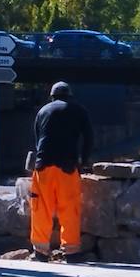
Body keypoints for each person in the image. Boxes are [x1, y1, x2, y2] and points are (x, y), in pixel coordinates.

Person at [30, 81, 94, 263]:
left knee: (41, 208)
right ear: (70, 96)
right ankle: (71, 252)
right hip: (67, 165)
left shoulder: (42, 111)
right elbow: (89, 137)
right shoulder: (79, 110)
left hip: (43, 166)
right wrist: (85, 160)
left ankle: (41, 251)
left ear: (52, 96)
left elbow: (37, 139)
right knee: (69, 208)